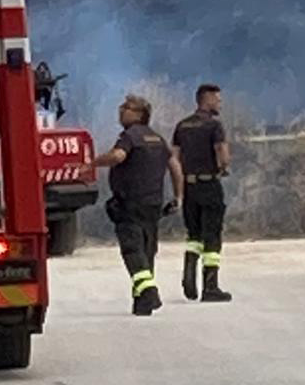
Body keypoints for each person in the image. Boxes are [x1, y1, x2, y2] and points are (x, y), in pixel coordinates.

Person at [91, 94, 184, 316]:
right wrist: (179, 197)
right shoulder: (158, 139)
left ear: (140, 114)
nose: (121, 110)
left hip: (130, 204)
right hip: (153, 204)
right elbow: (175, 167)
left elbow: (117, 157)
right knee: (146, 251)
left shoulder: (130, 136)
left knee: (133, 250)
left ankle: (149, 292)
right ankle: (142, 302)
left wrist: (92, 163)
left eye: (127, 107)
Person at [172, 83, 233, 303]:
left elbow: (174, 159)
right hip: (209, 185)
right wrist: (224, 167)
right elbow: (222, 152)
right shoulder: (214, 125)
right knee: (212, 235)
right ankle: (210, 287)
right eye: (217, 99)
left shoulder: (182, 126)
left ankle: (189, 276)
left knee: (194, 234)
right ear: (207, 100)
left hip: (189, 187)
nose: (220, 103)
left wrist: (179, 190)